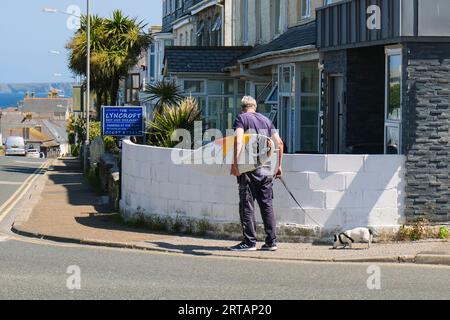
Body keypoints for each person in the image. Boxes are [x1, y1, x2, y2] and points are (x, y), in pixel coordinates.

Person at [229, 96, 284, 252]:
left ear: (242, 107)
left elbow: (238, 141)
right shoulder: (266, 120)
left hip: (248, 170)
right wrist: (279, 166)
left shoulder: (242, 119)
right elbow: (279, 143)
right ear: (255, 107)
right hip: (267, 169)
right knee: (267, 205)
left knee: (247, 206)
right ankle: (271, 241)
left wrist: (235, 164)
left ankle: (249, 242)